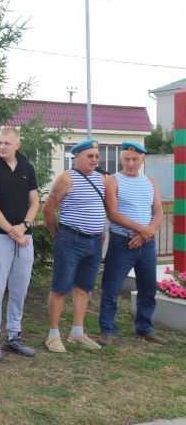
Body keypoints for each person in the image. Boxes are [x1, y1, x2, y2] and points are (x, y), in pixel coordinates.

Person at [0, 127, 39, 361]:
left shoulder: (27, 168)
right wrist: (11, 231)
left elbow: (34, 202)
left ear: (17, 144)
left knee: (20, 288)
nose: (2, 146)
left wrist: (24, 225)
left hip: (24, 237)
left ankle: (14, 335)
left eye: (6, 143)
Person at [98, 142, 166, 345]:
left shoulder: (150, 181)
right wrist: (143, 230)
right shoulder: (112, 181)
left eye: (135, 159)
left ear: (142, 159)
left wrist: (147, 233)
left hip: (147, 244)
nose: (131, 163)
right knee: (111, 288)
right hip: (122, 243)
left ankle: (144, 328)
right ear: (121, 159)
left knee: (148, 289)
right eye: (127, 159)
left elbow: (159, 210)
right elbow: (113, 213)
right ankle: (108, 330)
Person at [42, 139, 106, 353]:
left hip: (94, 242)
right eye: (90, 156)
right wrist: (56, 237)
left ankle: (77, 332)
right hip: (70, 240)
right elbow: (48, 210)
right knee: (60, 288)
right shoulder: (66, 179)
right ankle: (53, 335)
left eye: (96, 156)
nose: (94, 160)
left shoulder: (101, 179)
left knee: (84, 288)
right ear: (76, 156)